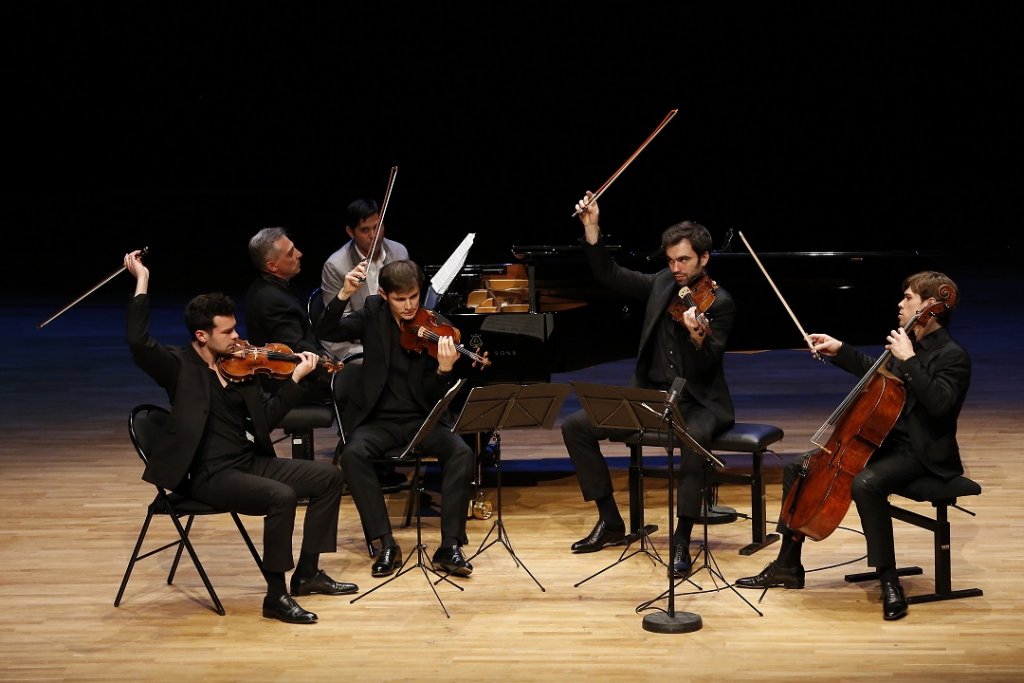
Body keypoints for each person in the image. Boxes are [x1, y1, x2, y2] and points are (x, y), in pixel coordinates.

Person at [123, 250, 357, 625]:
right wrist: (142, 280)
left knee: (329, 478)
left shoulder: (242, 366)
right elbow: (138, 341)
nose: (238, 337)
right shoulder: (177, 367)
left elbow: (265, 419)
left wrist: (295, 381)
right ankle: (276, 596)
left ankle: (307, 573)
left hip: (246, 462)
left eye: (235, 328)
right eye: (227, 332)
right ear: (202, 335)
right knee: (280, 497)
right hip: (207, 475)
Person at [735, 271, 970, 621]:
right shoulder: (906, 344)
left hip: (922, 454)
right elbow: (874, 375)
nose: (900, 303)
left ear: (930, 307)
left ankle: (889, 581)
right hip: (886, 443)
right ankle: (787, 564)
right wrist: (839, 349)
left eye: (908, 298)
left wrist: (909, 360)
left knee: (865, 483)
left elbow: (939, 405)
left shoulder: (952, 356)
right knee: (799, 466)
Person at [561, 191, 736, 577]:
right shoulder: (659, 284)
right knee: (576, 427)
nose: (676, 268)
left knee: (693, 446)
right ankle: (610, 521)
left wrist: (697, 337)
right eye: (671, 260)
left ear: (704, 259)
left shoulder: (720, 303)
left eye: (684, 260)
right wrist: (592, 228)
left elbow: (709, 365)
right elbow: (609, 274)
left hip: (697, 404)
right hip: (649, 399)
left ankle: (682, 538)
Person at [315, 259, 476, 578]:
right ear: (384, 295)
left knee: (462, 452)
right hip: (379, 421)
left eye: (414, 297)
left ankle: (449, 546)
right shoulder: (372, 313)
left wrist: (445, 371)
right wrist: (345, 293)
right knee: (352, 455)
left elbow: (434, 396)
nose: (408, 306)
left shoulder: (434, 325)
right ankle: (385, 542)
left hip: (421, 420)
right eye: (400, 299)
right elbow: (326, 329)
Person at [245, 226, 333, 400]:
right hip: (287, 381)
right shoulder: (272, 298)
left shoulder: (271, 287)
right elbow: (296, 348)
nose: (299, 254)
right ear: (272, 266)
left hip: (295, 370)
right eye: (290, 253)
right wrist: (332, 367)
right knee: (357, 385)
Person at [320, 198, 410, 360]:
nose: (374, 236)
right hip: (355, 344)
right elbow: (340, 323)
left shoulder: (399, 252)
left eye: (377, 227)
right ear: (350, 232)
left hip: (395, 338)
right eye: (365, 230)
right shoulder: (336, 265)